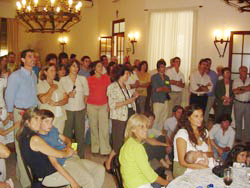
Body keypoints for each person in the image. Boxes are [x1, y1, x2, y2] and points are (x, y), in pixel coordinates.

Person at [38, 109, 105, 188]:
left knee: (100, 169)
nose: (50, 125)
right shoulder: (40, 139)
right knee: (88, 179)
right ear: (39, 122)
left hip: (73, 157)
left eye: (51, 121)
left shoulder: (52, 129)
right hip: (65, 163)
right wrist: (66, 152)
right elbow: (54, 163)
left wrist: (69, 147)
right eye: (46, 121)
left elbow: (67, 139)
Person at [17, 109, 76, 187]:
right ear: (27, 122)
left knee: (89, 170)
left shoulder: (24, 135)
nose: (39, 123)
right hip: (49, 174)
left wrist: (70, 147)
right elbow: (58, 157)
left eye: (40, 119)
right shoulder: (36, 139)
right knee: (86, 178)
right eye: (36, 119)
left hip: (47, 169)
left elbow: (67, 140)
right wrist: (68, 151)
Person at [5, 49, 38, 187]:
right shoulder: (15, 76)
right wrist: (11, 111)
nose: (33, 59)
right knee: (21, 147)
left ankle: (20, 174)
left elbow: (34, 94)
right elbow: (8, 95)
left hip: (32, 113)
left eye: (34, 56)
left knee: (30, 146)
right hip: (20, 113)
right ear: (23, 60)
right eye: (29, 57)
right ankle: (26, 183)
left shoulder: (33, 75)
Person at [119, 114, 170, 188]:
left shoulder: (128, 143)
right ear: (133, 129)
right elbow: (150, 175)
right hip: (138, 185)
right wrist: (167, 183)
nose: (146, 130)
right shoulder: (137, 147)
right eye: (142, 127)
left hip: (129, 183)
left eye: (146, 127)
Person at [105, 65, 139, 172]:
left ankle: (122, 163)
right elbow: (112, 104)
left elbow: (129, 99)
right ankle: (108, 163)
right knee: (118, 142)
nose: (128, 76)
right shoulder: (112, 87)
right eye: (126, 74)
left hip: (129, 114)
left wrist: (134, 96)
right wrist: (128, 101)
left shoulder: (127, 86)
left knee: (128, 140)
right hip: (119, 117)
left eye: (129, 74)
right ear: (120, 74)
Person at [59, 60, 89, 158]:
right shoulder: (63, 80)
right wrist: (68, 95)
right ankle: (68, 153)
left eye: (77, 67)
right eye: (73, 66)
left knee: (79, 134)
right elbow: (61, 95)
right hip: (68, 109)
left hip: (80, 110)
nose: (76, 69)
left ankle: (78, 154)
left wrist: (84, 108)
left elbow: (86, 95)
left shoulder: (82, 79)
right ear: (69, 67)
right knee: (67, 133)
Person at [173, 105, 213, 178]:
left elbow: (211, 153)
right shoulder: (182, 134)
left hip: (204, 163)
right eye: (196, 116)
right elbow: (182, 162)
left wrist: (201, 154)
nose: (200, 119)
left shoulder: (204, 132)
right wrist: (202, 167)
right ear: (188, 118)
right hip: (184, 168)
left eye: (201, 116)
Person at [86, 61, 111, 155]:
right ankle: (95, 149)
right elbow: (86, 94)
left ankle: (105, 149)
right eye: (98, 66)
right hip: (91, 105)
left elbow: (109, 93)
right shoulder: (89, 79)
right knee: (93, 127)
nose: (101, 68)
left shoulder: (107, 78)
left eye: (101, 66)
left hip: (103, 105)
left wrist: (109, 105)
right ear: (94, 68)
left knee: (104, 127)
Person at [37, 64, 68, 133]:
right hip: (48, 118)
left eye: (54, 71)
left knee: (59, 138)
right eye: (51, 70)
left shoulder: (58, 83)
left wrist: (56, 103)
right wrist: (51, 89)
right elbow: (43, 100)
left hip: (60, 117)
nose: (54, 73)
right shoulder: (41, 85)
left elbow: (66, 99)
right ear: (45, 72)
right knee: (48, 139)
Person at [151, 60, 171, 131]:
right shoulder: (154, 77)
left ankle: (159, 132)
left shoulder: (167, 78)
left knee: (164, 118)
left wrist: (163, 88)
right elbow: (157, 89)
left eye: (164, 67)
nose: (164, 68)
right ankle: (153, 133)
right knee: (156, 118)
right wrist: (164, 88)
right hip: (157, 100)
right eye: (162, 67)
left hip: (165, 100)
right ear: (158, 68)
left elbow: (169, 89)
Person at [232, 66, 250, 144]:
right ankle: (238, 137)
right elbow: (235, 92)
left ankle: (248, 139)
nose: (244, 72)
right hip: (238, 103)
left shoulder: (249, 79)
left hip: (248, 103)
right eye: (243, 71)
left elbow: (238, 90)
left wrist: (240, 88)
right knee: (238, 121)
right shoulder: (235, 80)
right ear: (239, 72)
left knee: (248, 122)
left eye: (246, 71)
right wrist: (246, 88)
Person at [204, 58, 218, 125]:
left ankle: (204, 127)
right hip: (202, 96)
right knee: (201, 111)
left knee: (207, 112)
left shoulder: (213, 74)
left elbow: (215, 86)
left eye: (210, 63)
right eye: (207, 63)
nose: (208, 64)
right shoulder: (201, 72)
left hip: (211, 96)